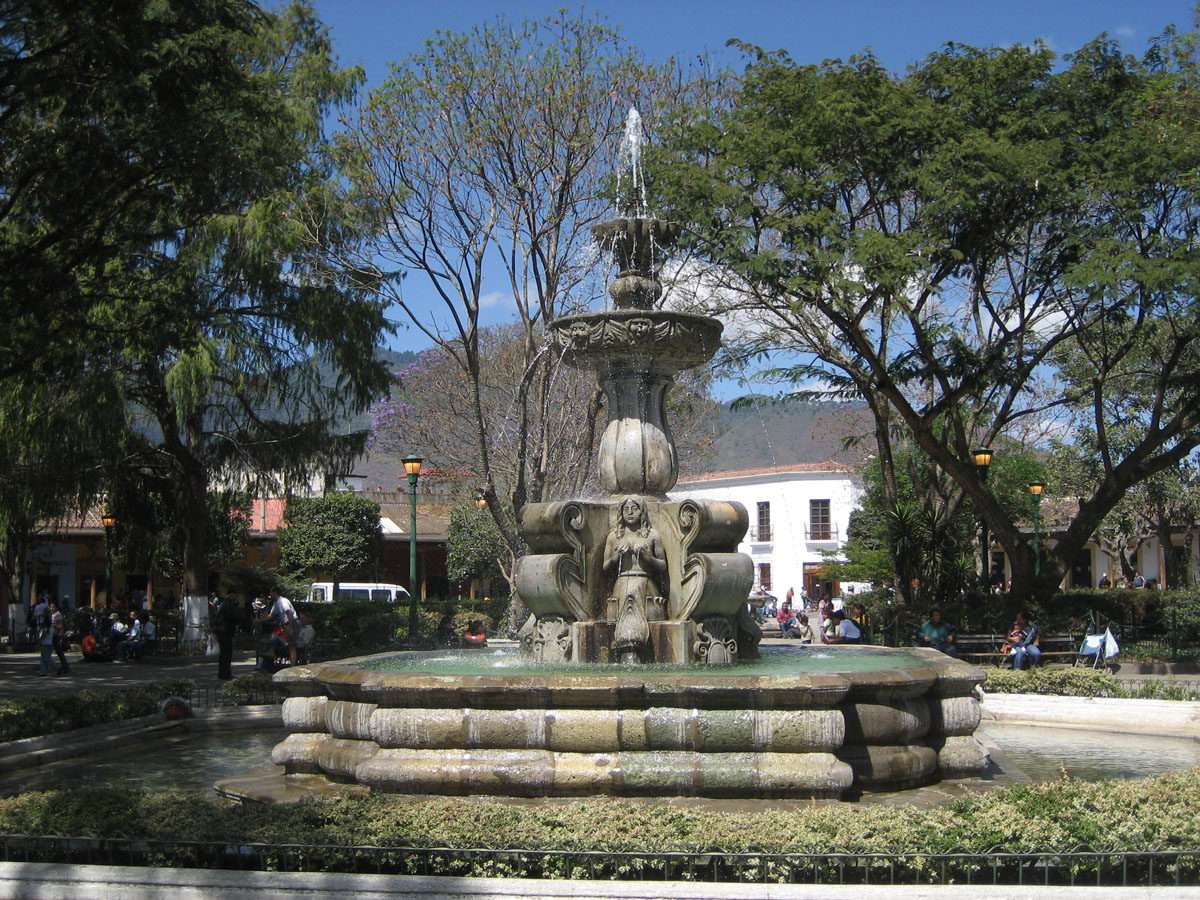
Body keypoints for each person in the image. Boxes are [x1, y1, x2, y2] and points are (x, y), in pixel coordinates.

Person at [259, 588, 298, 666]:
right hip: (286, 624)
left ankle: (293, 666)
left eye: (271, 592)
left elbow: (289, 613)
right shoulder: (276, 603)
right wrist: (258, 620)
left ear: (275, 592)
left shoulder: (283, 601)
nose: (270, 594)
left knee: (292, 647)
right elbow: (271, 616)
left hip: (291, 623)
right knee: (288, 645)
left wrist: (291, 627)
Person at [211, 591, 240, 680]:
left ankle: (223, 673)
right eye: (235, 595)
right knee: (226, 654)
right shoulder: (227, 605)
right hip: (225, 631)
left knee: (224, 654)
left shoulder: (225, 604)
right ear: (231, 595)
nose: (236, 598)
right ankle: (225, 674)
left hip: (223, 630)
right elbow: (233, 617)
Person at [33, 594, 53, 676]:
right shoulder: (47, 606)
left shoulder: (37, 607)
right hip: (45, 624)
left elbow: (35, 615)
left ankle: (57, 668)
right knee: (44, 656)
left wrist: (39, 642)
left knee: (46, 657)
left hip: (40, 623)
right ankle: (43, 670)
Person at [50, 602, 71, 675]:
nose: (51, 608)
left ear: (56, 607)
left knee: (59, 652)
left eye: (53, 607)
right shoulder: (52, 614)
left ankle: (66, 667)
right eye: (51, 607)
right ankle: (65, 667)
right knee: (58, 652)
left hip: (56, 636)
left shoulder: (58, 615)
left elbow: (60, 626)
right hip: (53, 635)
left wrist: (56, 631)